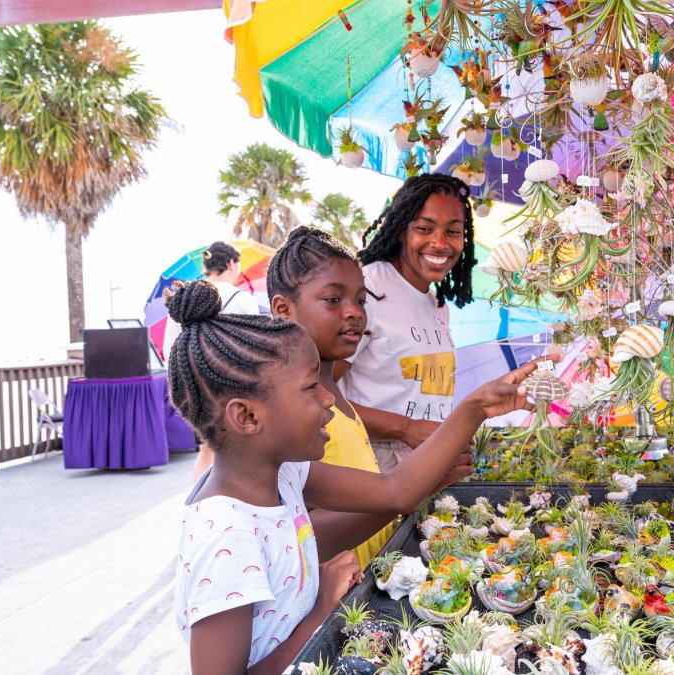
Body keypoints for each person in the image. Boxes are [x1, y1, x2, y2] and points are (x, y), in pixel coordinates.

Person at [165, 279, 541, 675]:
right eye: (311, 387)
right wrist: (321, 609)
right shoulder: (226, 534)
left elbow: (392, 491)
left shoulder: (283, 473)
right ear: (247, 416)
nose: (329, 398)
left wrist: (475, 408)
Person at [268, 226, 465, 568]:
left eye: (360, 299)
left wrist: (425, 484)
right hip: (332, 598)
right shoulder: (288, 409)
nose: (355, 312)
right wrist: (407, 492)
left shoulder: (335, 394)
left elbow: (373, 498)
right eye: (334, 299)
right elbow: (303, 535)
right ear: (283, 309)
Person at [337, 174, 478, 472]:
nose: (440, 243)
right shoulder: (367, 288)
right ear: (402, 230)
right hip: (366, 470)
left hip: (417, 471)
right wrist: (407, 429)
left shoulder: (435, 303)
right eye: (425, 229)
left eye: (453, 231)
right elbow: (319, 391)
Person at [162, 241, 261, 479]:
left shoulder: (182, 298)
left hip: (195, 385)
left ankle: (201, 503)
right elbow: (256, 349)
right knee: (241, 447)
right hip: (235, 385)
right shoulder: (242, 298)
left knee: (206, 449)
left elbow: (170, 352)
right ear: (230, 263)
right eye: (237, 265)